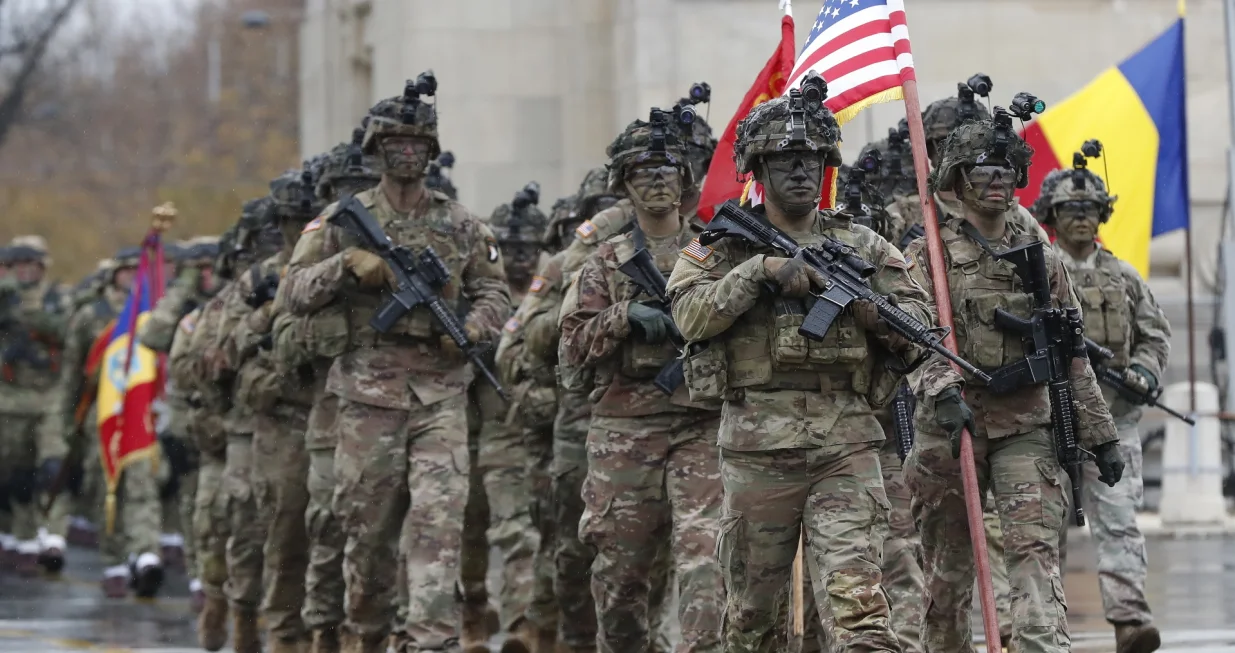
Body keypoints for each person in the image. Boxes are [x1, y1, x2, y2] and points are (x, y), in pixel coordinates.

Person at [668, 82, 927, 653]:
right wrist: (758, 272)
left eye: (811, 160)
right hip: (758, 448)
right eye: (785, 161)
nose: (801, 172)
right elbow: (687, 314)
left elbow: (918, 321)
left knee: (860, 612)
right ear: (759, 167)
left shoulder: (862, 244)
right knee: (753, 620)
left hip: (847, 442)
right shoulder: (725, 242)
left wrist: (872, 314)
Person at [280, 74, 511, 653]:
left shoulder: (461, 223)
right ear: (377, 151)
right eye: (395, 145)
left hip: (441, 395)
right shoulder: (341, 221)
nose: (407, 153)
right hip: (366, 397)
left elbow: (496, 294)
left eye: (417, 144)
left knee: (438, 525)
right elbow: (292, 293)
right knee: (368, 534)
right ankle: (366, 633)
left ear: (430, 153)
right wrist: (347, 265)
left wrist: (476, 330)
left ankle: (430, 641)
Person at [901, 113, 1125, 653]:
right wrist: (941, 388)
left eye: (1006, 168)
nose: (997, 180)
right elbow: (909, 335)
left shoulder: (1042, 259)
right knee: (948, 574)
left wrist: (1102, 435)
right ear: (957, 179)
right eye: (983, 169)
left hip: (1026, 425)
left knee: (1034, 561)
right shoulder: (928, 255)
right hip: (953, 429)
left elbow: (1071, 354)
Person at [560, 112, 725, 653]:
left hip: (700, 423)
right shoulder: (603, 263)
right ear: (624, 185)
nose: (656, 181)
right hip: (624, 430)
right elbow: (569, 353)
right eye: (642, 172)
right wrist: (621, 318)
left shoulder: (715, 253)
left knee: (705, 561)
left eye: (667, 170)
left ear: (684, 180)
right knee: (622, 579)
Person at [1032, 153, 1168, 653]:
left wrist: (1144, 373)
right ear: (1051, 215)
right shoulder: (1035, 274)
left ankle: (1130, 622)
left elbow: (1155, 336)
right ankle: (1041, 626)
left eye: (1091, 208)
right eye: (1071, 209)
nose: (1082, 217)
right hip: (1048, 423)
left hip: (1115, 422)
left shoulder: (1125, 277)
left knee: (1119, 523)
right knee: (1041, 530)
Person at [270, 126, 382, 653]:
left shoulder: (406, 235)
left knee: (389, 537)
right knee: (324, 532)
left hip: (399, 410)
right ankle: (318, 634)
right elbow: (285, 337)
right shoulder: (319, 243)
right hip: (328, 419)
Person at [215, 168, 322, 653]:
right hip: (282, 420)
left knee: (342, 533)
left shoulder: (336, 265)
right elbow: (220, 353)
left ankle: (329, 633)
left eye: (306, 219)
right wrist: (267, 314)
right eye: (289, 220)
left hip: (346, 414)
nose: (295, 229)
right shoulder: (258, 280)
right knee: (284, 534)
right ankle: (279, 633)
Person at [457, 185, 551, 653]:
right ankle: (473, 613)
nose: (518, 258)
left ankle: (521, 626)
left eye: (527, 249)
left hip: (529, 435)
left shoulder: (552, 295)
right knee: (470, 532)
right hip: (476, 432)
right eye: (509, 248)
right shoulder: (480, 298)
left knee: (520, 533)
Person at [141, 235, 219, 606]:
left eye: (210, 267)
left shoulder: (234, 300)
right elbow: (152, 334)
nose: (206, 275)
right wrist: (182, 287)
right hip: (189, 417)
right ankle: (200, 578)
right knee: (194, 502)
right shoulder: (181, 311)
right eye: (197, 269)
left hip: (233, 416)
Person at [0, 235, 73, 577]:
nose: (25, 272)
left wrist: (29, 313)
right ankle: (21, 536)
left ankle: (52, 537)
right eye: (18, 266)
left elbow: (66, 333)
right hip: (8, 399)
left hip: (50, 398)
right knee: (14, 475)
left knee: (52, 467)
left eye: (31, 265)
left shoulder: (58, 298)